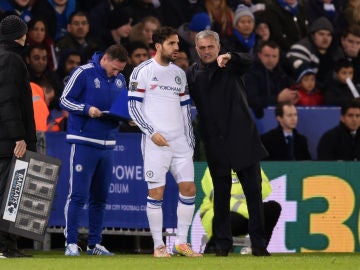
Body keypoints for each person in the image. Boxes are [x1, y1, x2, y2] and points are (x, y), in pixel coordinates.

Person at [187, 29, 269, 256]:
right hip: (215, 144)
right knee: (220, 199)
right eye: (201, 48)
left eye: (210, 47)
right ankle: (222, 245)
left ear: (218, 46)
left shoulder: (231, 65)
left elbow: (251, 59)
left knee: (254, 195)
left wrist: (231, 56)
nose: (206, 52)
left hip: (243, 140)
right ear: (196, 49)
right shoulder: (192, 74)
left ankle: (259, 245)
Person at [128, 27, 201, 258]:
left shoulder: (179, 73)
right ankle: (159, 245)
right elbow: (133, 107)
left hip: (180, 143)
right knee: (156, 192)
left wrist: (190, 143)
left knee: (189, 189)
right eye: (171, 44)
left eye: (177, 43)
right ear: (158, 46)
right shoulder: (142, 71)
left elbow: (185, 111)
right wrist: (151, 132)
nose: (177, 48)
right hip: (155, 143)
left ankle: (181, 242)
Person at [59, 44, 128, 256]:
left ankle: (94, 244)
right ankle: (71, 243)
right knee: (78, 195)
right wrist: (86, 109)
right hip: (83, 141)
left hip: (108, 144)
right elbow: (64, 99)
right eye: (114, 69)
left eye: (120, 70)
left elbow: (121, 106)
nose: (117, 74)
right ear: (105, 59)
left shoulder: (121, 79)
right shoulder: (83, 73)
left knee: (100, 198)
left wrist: (129, 117)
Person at [0, 14, 37, 258]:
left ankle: (8, 245)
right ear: (21, 35)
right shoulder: (12, 60)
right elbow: (8, 101)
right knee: (10, 193)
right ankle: (6, 247)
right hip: (10, 141)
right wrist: (19, 137)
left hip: (4, 139)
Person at [200, 167, 281, 254]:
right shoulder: (214, 167)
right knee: (228, 217)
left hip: (246, 216)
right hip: (217, 215)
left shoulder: (251, 165)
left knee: (273, 208)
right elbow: (220, 199)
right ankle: (214, 246)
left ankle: (259, 247)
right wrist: (251, 212)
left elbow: (266, 189)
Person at [244, 40, 295, 118]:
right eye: (267, 56)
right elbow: (252, 100)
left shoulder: (282, 74)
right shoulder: (251, 73)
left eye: (274, 56)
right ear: (259, 55)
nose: (271, 60)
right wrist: (277, 98)